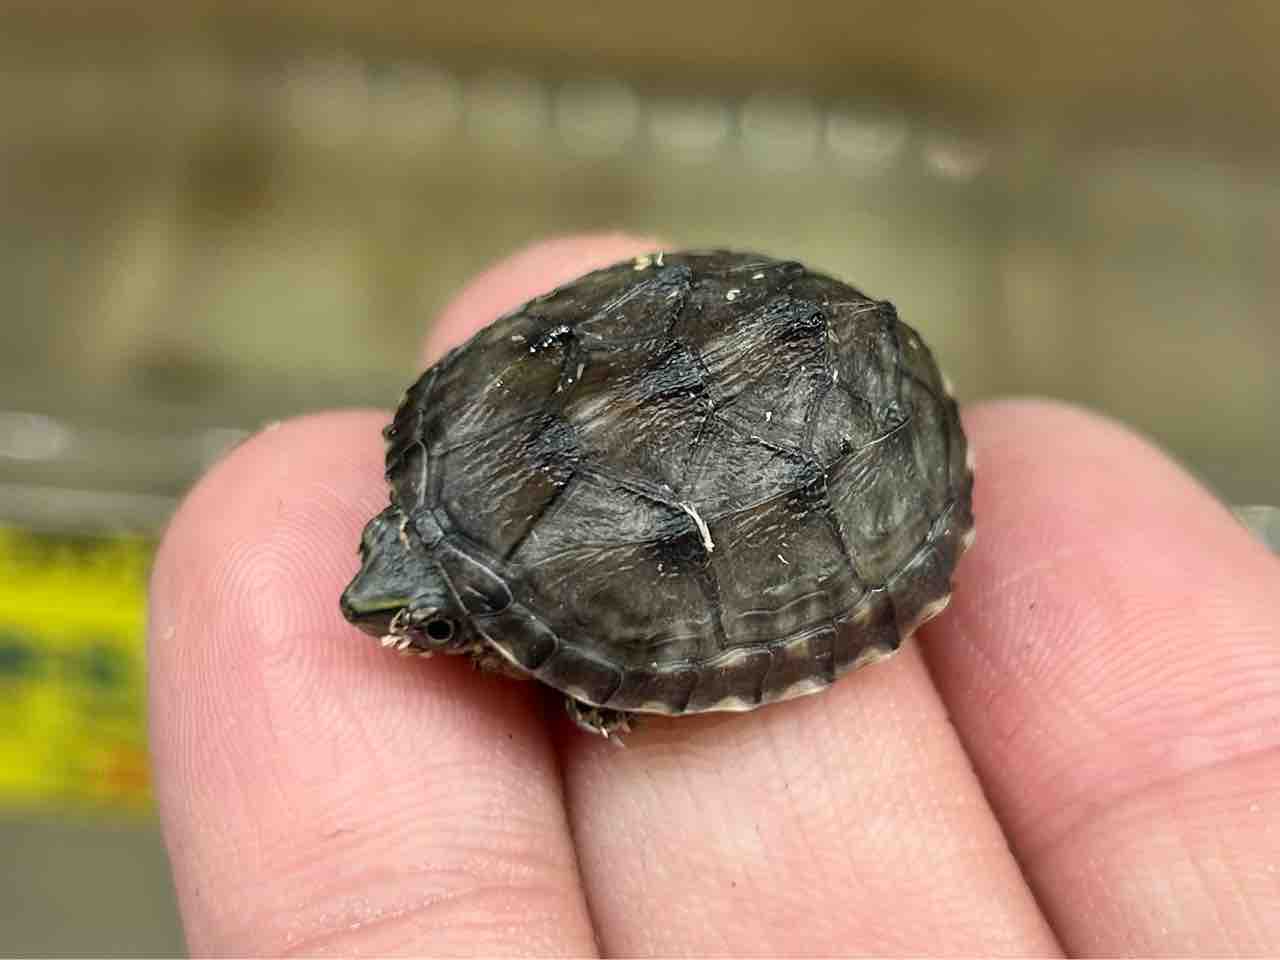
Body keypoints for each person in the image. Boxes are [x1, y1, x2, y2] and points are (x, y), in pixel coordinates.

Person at [147, 235, 1280, 956]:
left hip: (853, 432)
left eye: (434, 626)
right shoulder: (452, 441)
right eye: (389, 563)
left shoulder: (488, 495)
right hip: (754, 305)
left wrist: (592, 682)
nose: (372, 606)